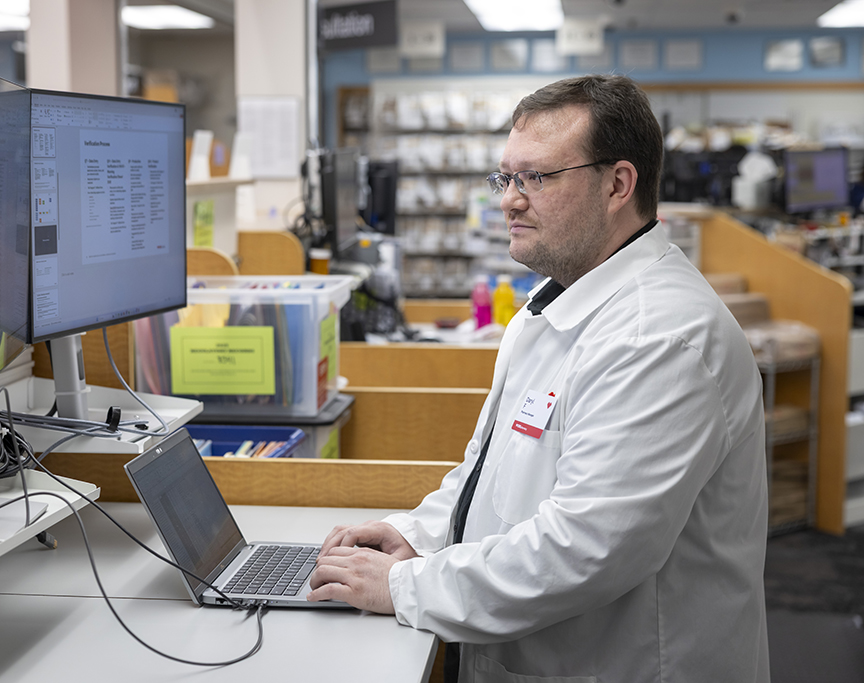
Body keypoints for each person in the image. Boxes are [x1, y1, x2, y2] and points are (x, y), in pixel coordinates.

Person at [308, 74, 770, 683]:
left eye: (537, 177)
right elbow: (487, 473)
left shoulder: (658, 336)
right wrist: (417, 535)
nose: (510, 200)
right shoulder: (550, 307)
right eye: (506, 177)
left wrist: (404, 586)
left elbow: (585, 551)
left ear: (618, 184)